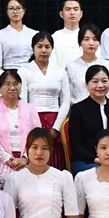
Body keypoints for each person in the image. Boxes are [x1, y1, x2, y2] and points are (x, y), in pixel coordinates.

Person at [0, 69, 42, 188]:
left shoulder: (30, 109)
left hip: (29, 159)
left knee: (36, 178)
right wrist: (8, 159)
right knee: (7, 178)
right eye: (7, 84)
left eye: (15, 84)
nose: (12, 88)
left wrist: (25, 158)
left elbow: (38, 136)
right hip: (2, 160)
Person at [20, 32, 70, 170]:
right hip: (32, 120)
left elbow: (65, 101)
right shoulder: (24, 71)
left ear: (52, 49)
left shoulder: (60, 71)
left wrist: (56, 128)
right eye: (39, 46)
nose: (44, 50)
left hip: (55, 120)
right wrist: (31, 125)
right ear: (33, 48)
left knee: (55, 159)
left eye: (47, 47)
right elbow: (23, 102)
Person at [67, 65, 109, 174]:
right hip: (87, 160)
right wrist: (97, 159)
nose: (100, 85)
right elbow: (76, 144)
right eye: (95, 81)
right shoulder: (78, 109)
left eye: (104, 81)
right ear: (86, 84)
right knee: (103, 174)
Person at [65, 24, 109, 103]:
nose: (91, 43)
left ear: (99, 42)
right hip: (79, 108)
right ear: (80, 42)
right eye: (86, 39)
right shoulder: (71, 67)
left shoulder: (108, 65)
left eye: (95, 39)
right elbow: (69, 95)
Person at [0, 0, 38, 69]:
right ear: (7, 12)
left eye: (18, 8)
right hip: (9, 71)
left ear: (24, 11)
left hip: (30, 71)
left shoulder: (34, 34)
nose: (15, 12)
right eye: (11, 9)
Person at [50, 0, 84, 68]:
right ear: (61, 14)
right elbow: (52, 64)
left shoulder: (87, 36)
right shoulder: (55, 37)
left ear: (81, 13)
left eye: (75, 9)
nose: (72, 13)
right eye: (68, 9)